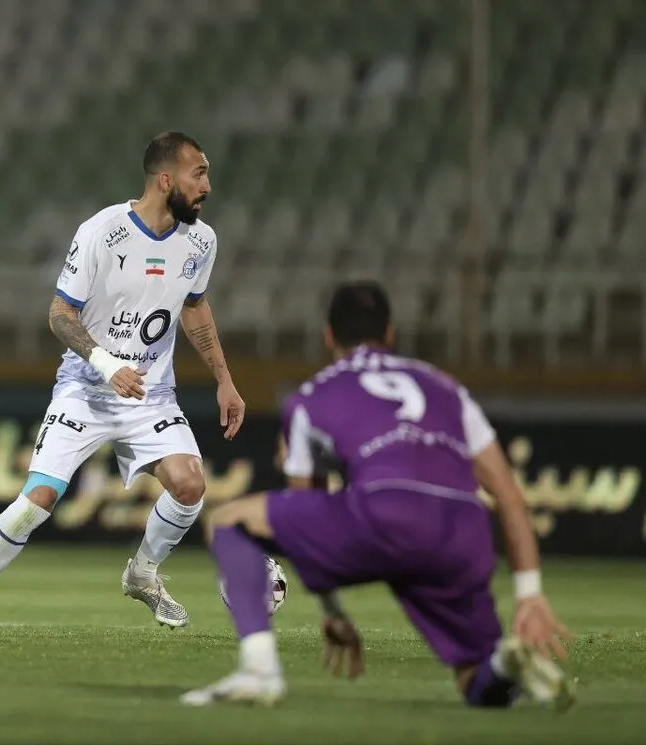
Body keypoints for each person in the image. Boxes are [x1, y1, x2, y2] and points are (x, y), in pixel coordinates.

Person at [182, 280, 575, 710]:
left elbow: (304, 511)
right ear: (390, 333)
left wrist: (333, 612)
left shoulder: (311, 397)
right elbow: (509, 494)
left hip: (384, 513)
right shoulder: (445, 387)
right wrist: (529, 593)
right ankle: (503, 662)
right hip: (461, 529)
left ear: (328, 336)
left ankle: (259, 672)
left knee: (227, 521)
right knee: (474, 678)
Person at [0, 132, 247, 633]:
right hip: (86, 388)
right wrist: (107, 365)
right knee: (39, 498)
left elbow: (194, 307)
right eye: (199, 174)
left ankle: (143, 574)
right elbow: (60, 314)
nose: (207, 185)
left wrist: (224, 380)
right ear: (165, 180)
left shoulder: (201, 241)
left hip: (150, 394)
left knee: (190, 484)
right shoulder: (103, 232)